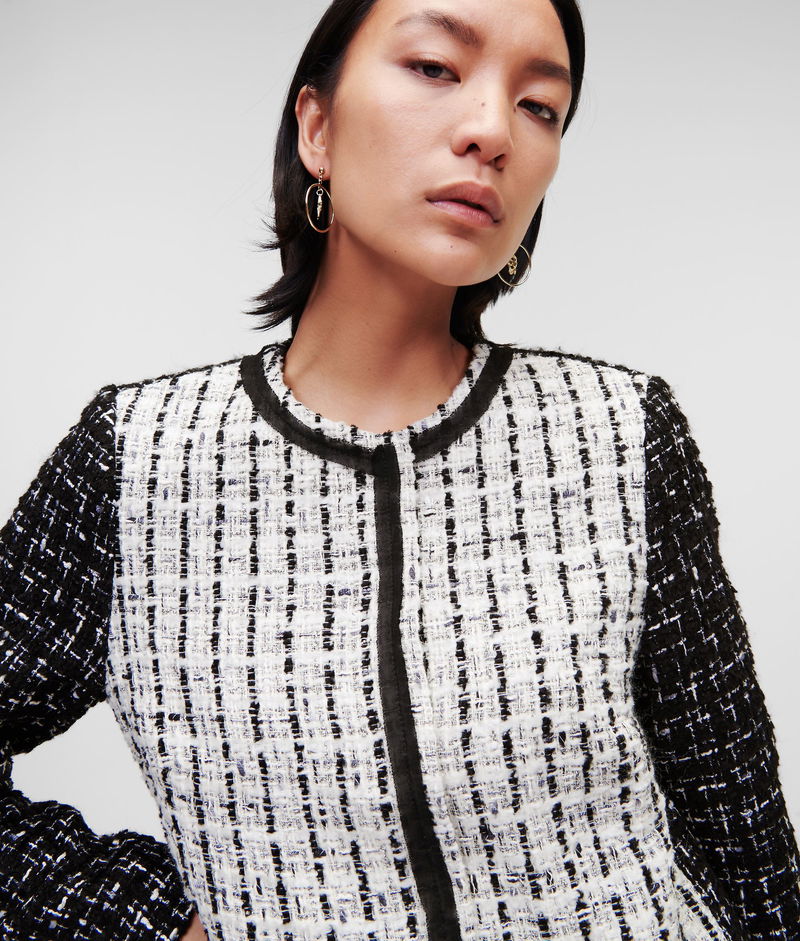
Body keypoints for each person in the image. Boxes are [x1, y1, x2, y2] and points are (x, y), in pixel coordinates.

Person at [1, 0, 798, 939]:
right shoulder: (140, 460)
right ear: (317, 128)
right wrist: (143, 922)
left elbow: (744, 838)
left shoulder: (622, 433)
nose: (493, 130)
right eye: (433, 67)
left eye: (540, 106)